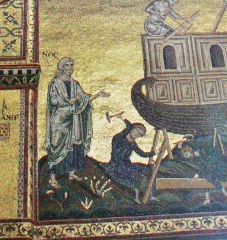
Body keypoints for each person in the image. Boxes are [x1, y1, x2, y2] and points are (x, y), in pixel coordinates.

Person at [45, 58, 109, 189]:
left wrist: (97, 95)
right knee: (57, 146)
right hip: (60, 119)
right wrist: (70, 100)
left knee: (75, 144)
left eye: (71, 65)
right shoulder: (55, 83)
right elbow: (53, 101)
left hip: (74, 118)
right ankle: (52, 178)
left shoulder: (75, 84)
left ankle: (72, 173)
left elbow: (84, 99)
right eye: (67, 65)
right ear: (62, 67)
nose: (70, 68)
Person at [106, 118, 152, 198]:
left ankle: (148, 194)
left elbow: (142, 153)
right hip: (116, 165)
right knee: (135, 175)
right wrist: (122, 118)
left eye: (140, 134)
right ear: (132, 128)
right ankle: (137, 195)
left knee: (146, 169)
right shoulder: (119, 139)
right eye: (137, 131)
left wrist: (154, 153)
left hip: (127, 164)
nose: (137, 134)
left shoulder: (133, 144)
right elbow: (128, 126)